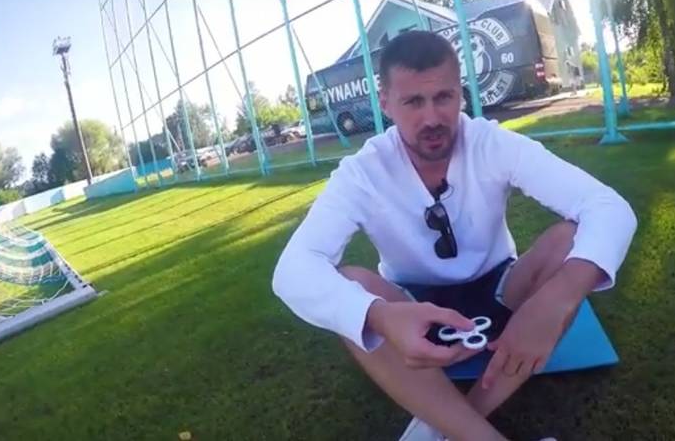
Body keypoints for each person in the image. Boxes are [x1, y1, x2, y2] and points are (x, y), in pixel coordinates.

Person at [272, 31, 637, 441]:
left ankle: (441, 426)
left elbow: (607, 206)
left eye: (443, 97)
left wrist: (558, 298)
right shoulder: (363, 172)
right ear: (386, 103)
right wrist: (380, 316)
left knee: (569, 240)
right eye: (413, 102)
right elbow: (292, 270)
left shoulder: (491, 143)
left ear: (460, 94)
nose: (431, 118)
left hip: (502, 292)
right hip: (411, 310)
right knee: (352, 285)